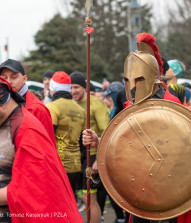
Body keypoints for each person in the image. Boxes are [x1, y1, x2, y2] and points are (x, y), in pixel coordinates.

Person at [83, 33, 191, 223]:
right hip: (140, 190)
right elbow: (127, 145)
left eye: (138, 80)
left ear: (151, 77)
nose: (133, 87)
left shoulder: (171, 105)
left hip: (169, 189)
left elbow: (185, 152)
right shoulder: (132, 106)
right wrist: (99, 141)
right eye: (130, 81)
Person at [0, 77, 83, 222]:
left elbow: (30, 188)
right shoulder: (77, 107)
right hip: (73, 162)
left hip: (60, 168)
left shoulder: (35, 117)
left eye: (13, 76)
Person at [70, 71, 110, 223]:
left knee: (90, 199)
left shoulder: (96, 104)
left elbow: (107, 132)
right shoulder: (72, 103)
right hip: (78, 157)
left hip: (92, 155)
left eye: (76, 87)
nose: (73, 91)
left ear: (84, 87)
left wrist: (97, 160)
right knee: (83, 198)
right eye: (71, 87)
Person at [46, 71, 86, 199]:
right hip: (75, 165)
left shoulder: (52, 107)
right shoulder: (80, 109)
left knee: (57, 206)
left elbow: (48, 138)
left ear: (52, 89)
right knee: (70, 203)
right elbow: (82, 141)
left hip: (58, 166)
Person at [0, 59, 56, 145]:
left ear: (24, 79)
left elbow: (47, 147)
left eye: (14, 77)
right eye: (4, 78)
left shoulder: (37, 108)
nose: (9, 81)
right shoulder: (3, 104)